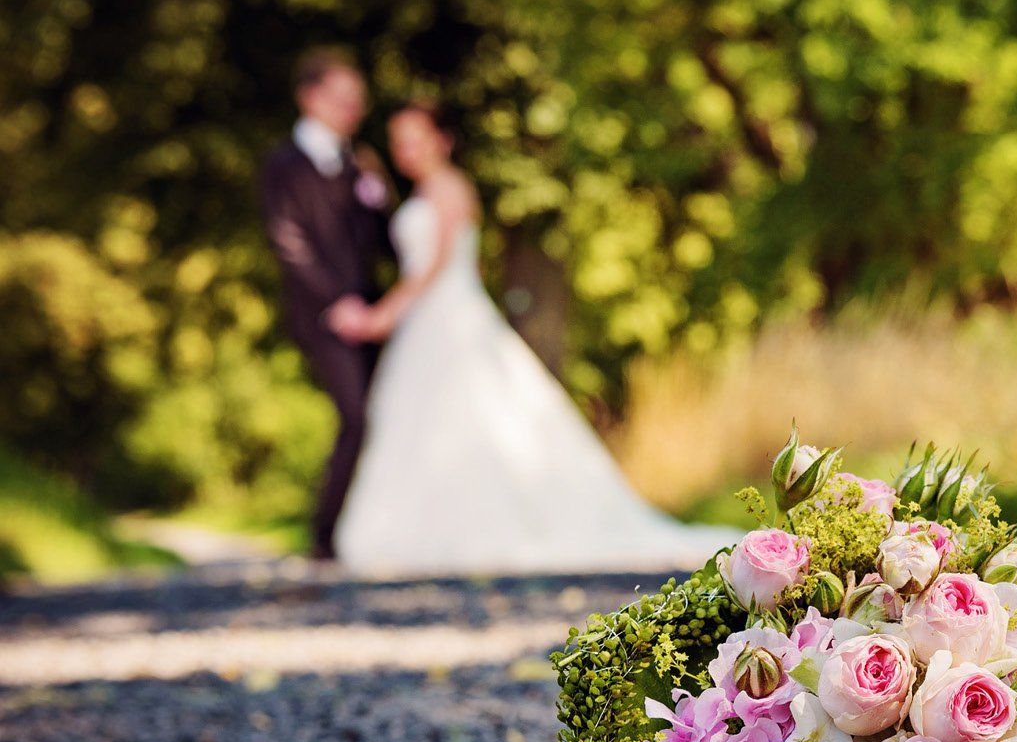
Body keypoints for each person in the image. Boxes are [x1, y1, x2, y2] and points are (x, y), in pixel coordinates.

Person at [326, 101, 736, 573]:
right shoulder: (422, 192)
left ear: (443, 139)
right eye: (399, 141)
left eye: (416, 138)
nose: (406, 151)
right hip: (435, 322)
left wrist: (380, 317)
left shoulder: (448, 188)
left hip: (446, 317)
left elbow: (434, 270)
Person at [260, 48, 392, 562]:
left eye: (358, 101)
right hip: (322, 314)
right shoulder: (282, 166)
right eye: (343, 99)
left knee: (385, 413)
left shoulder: (361, 162)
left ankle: (370, 529)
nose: (353, 110)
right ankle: (325, 534)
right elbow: (287, 240)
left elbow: (384, 239)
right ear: (310, 97)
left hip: (374, 312)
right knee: (354, 415)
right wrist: (336, 302)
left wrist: (378, 194)